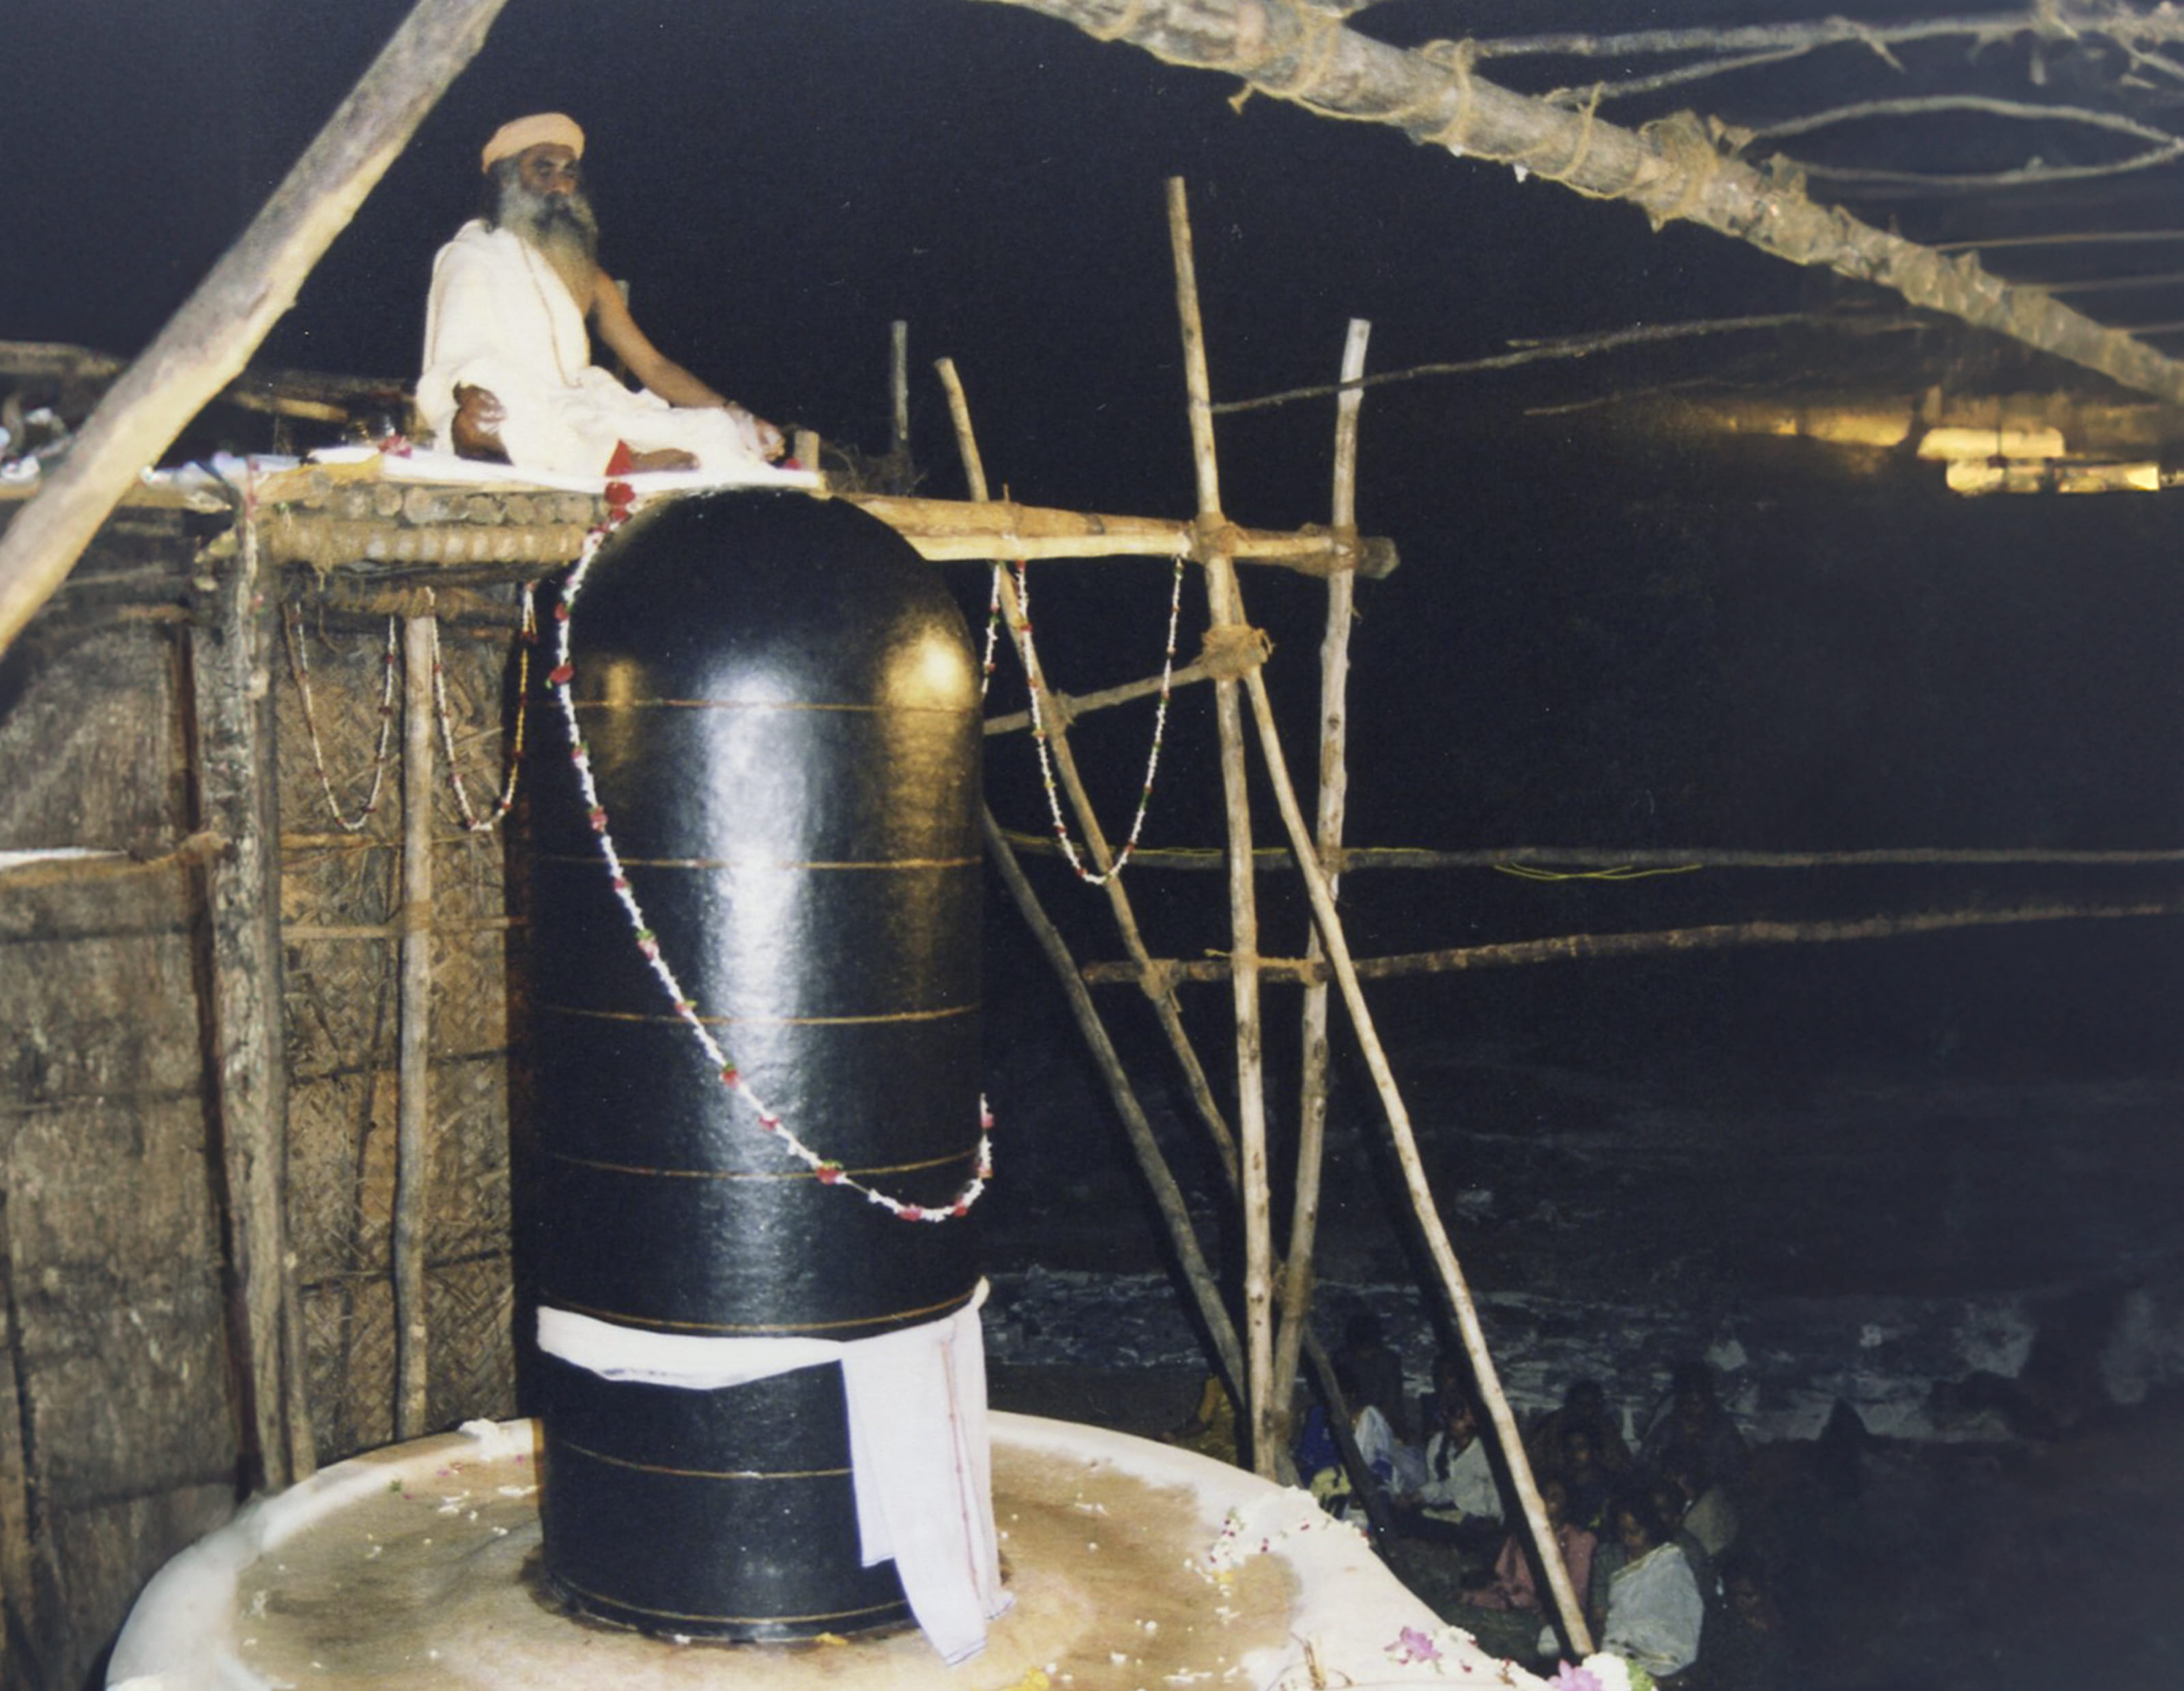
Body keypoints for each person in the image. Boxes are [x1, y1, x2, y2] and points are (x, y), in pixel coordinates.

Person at [418, 113, 785, 478]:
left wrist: (737, 414)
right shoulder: (473, 256)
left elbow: (653, 366)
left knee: (716, 429)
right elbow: (455, 361)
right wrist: (471, 396)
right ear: (506, 179)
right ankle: (622, 463)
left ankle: (613, 459)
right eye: (544, 171)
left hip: (578, 409)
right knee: (490, 423)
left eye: (569, 173)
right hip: (507, 405)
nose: (560, 187)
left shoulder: (587, 275)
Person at [1445, 1477, 1596, 1666]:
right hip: (1514, 1597)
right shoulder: (1525, 1532)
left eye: (1554, 1498)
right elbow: (1504, 1576)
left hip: (1551, 1608)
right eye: (1543, 1495)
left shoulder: (1580, 1540)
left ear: (1567, 1505)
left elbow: (1578, 1590)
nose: (1545, 1502)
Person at [1591, 1488, 1704, 1684]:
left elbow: (1687, 1616)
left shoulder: (1670, 1562)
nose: (1627, 1539)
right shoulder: (1609, 1558)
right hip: (1618, 1647)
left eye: (1635, 1532)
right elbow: (1600, 1615)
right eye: (1622, 1532)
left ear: (1650, 1528)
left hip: (1663, 1652)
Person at [1407, 1392, 1504, 1552]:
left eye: (1461, 1417)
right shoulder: (1438, 1445)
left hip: (1476, 1517)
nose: (1454, 1422)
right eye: (1451, 1416)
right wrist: (1417, 1496)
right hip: (1446, 1512)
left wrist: (1495, 1519)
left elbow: (1496, 1494)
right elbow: (1439, 1486)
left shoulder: (1486, 1452)